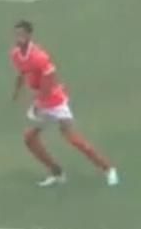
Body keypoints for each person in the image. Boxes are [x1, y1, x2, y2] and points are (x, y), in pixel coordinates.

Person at [9, 20, 119, 188]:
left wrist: (38, 104)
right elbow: (22, 73)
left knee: (73, 139)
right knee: (29, 138)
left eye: (22, 34)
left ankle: (109, 169)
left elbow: (49, 82)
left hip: (55, 102)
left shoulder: (40, 57)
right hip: (41, 103)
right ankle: (57, 173)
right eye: (17, 34)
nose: (19, 37)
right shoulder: (16, 54)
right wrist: (17, 92)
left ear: (30, 36)